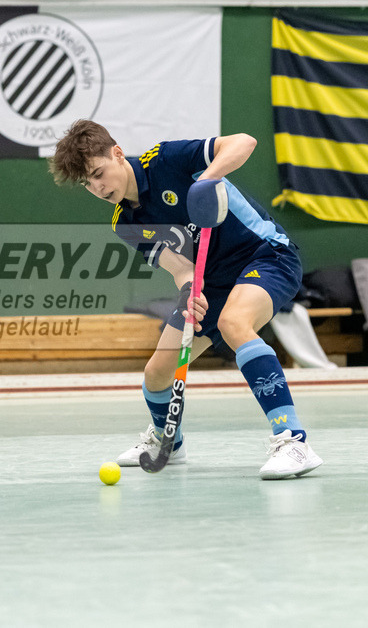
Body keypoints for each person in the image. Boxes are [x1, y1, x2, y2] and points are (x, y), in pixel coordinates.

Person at [48, 120, 322, 479]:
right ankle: (169, 442)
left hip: (265, 256)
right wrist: (190, 289)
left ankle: (293, 440)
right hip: (212, 283)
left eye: (99, 173)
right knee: (157, 372)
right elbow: (180, 268)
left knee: (233, 323)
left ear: (117, 153)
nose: (98, 187)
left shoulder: (165, 160)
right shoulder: (124, 223)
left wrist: (206, 181)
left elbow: (244, 139)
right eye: (88, 183)